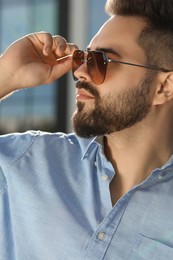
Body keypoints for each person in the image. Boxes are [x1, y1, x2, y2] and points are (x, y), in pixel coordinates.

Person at [1, 0, 173, 259]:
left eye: (100, 60)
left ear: (164, 86)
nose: (80, 71)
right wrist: (5, 76)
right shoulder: (25, 160)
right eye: (83, 57)